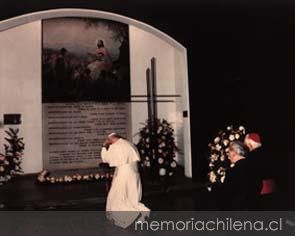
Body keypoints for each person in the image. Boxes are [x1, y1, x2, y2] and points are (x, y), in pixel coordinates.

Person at [101, 133, 150, 228]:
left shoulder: (117, 146)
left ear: (112, 139)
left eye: (108, 139)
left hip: (123, 175)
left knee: (118, 197)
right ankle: (143, 212)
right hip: (133, 174)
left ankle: (124, 218)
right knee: (131, 197)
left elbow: (105, 159)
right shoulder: (128, 143)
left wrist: (103, 146)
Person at [218, 141, 261, 210]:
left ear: (234, 153)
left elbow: (226, 195)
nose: (228, 155)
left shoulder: (232, 172)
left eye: (229, 152)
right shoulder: (255, 168)